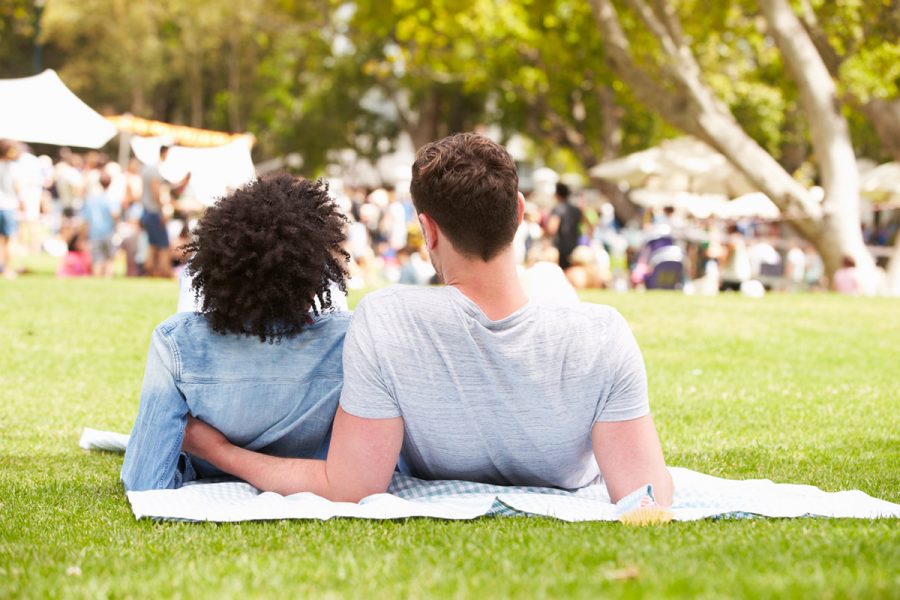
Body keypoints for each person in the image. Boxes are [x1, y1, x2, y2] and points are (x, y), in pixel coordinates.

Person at [184, 133, 673, 507]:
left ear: (427, 231)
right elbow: (647, 494)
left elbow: (350, 486)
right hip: (555, 336)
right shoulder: (603, 334)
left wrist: (222, 453)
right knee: (546, 280)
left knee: (547, 280)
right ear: (521, 212)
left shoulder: (387, 319)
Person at [121, 175, 351, 491]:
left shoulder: (176, 342)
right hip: (314, 475)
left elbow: (144, 481)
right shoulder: (350, 338)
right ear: (316, 267)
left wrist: (207, 451)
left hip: (209, 469)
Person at [81, 172, 119, 277]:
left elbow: (86, 220)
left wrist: (83, 236)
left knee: (97, 260)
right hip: (109, 232)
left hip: (94, 233)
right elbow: (115, 214)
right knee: (109, 259)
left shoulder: (91, 199)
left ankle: (97, 279)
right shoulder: (112, 198)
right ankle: (107, 280)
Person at [545, 182, 583, 270]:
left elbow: (552, 228)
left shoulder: (558, 208)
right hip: (574, 246)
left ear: (557, 194)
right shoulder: (576, 210)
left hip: (560, 248)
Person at [0, 140, 23, 279]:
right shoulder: (13, 167)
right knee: (9, 240)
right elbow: (18, 188)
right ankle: (7, 269)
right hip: (8, 206)